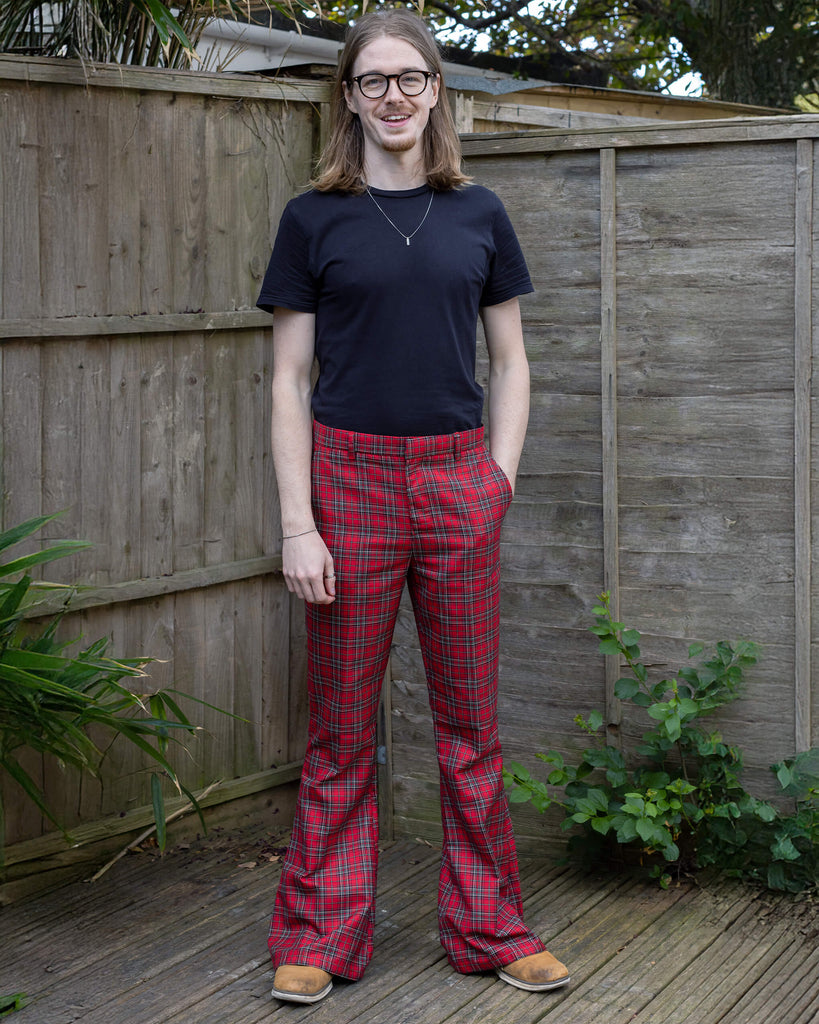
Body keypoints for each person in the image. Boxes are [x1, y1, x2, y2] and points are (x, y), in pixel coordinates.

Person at [257, 7, 570, 1005]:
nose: (392, 96)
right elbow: (287, 380)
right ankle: (319, 931)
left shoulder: (478, 212)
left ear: (437, 92)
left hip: (454, 480)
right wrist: (297, 520)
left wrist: (497, 475)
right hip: (346, 480)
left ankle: (490, 927)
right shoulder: (314, 219)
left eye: (411, 78)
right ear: (346, 96)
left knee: (469, 726)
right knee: (344, 727)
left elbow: (512, 361)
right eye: (372, 80)